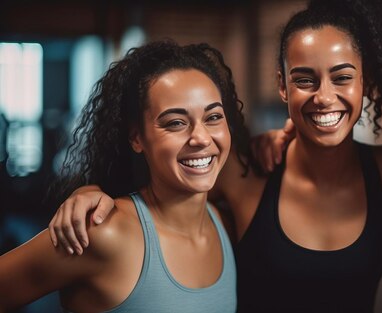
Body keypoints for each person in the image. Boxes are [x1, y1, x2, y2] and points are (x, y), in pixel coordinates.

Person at [47, 1, 382, 312]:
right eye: (305, 80)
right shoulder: (246, 172)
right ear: (283, 87)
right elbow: (162, 171)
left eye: (342, 78)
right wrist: (95, 193)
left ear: (366, 84)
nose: (325, 97)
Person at [0, 40, 243, 312]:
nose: (200, 137)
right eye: (175, 122)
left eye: (213, 117)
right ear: (136, 137)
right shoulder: (101, 232)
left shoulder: (227, 226)